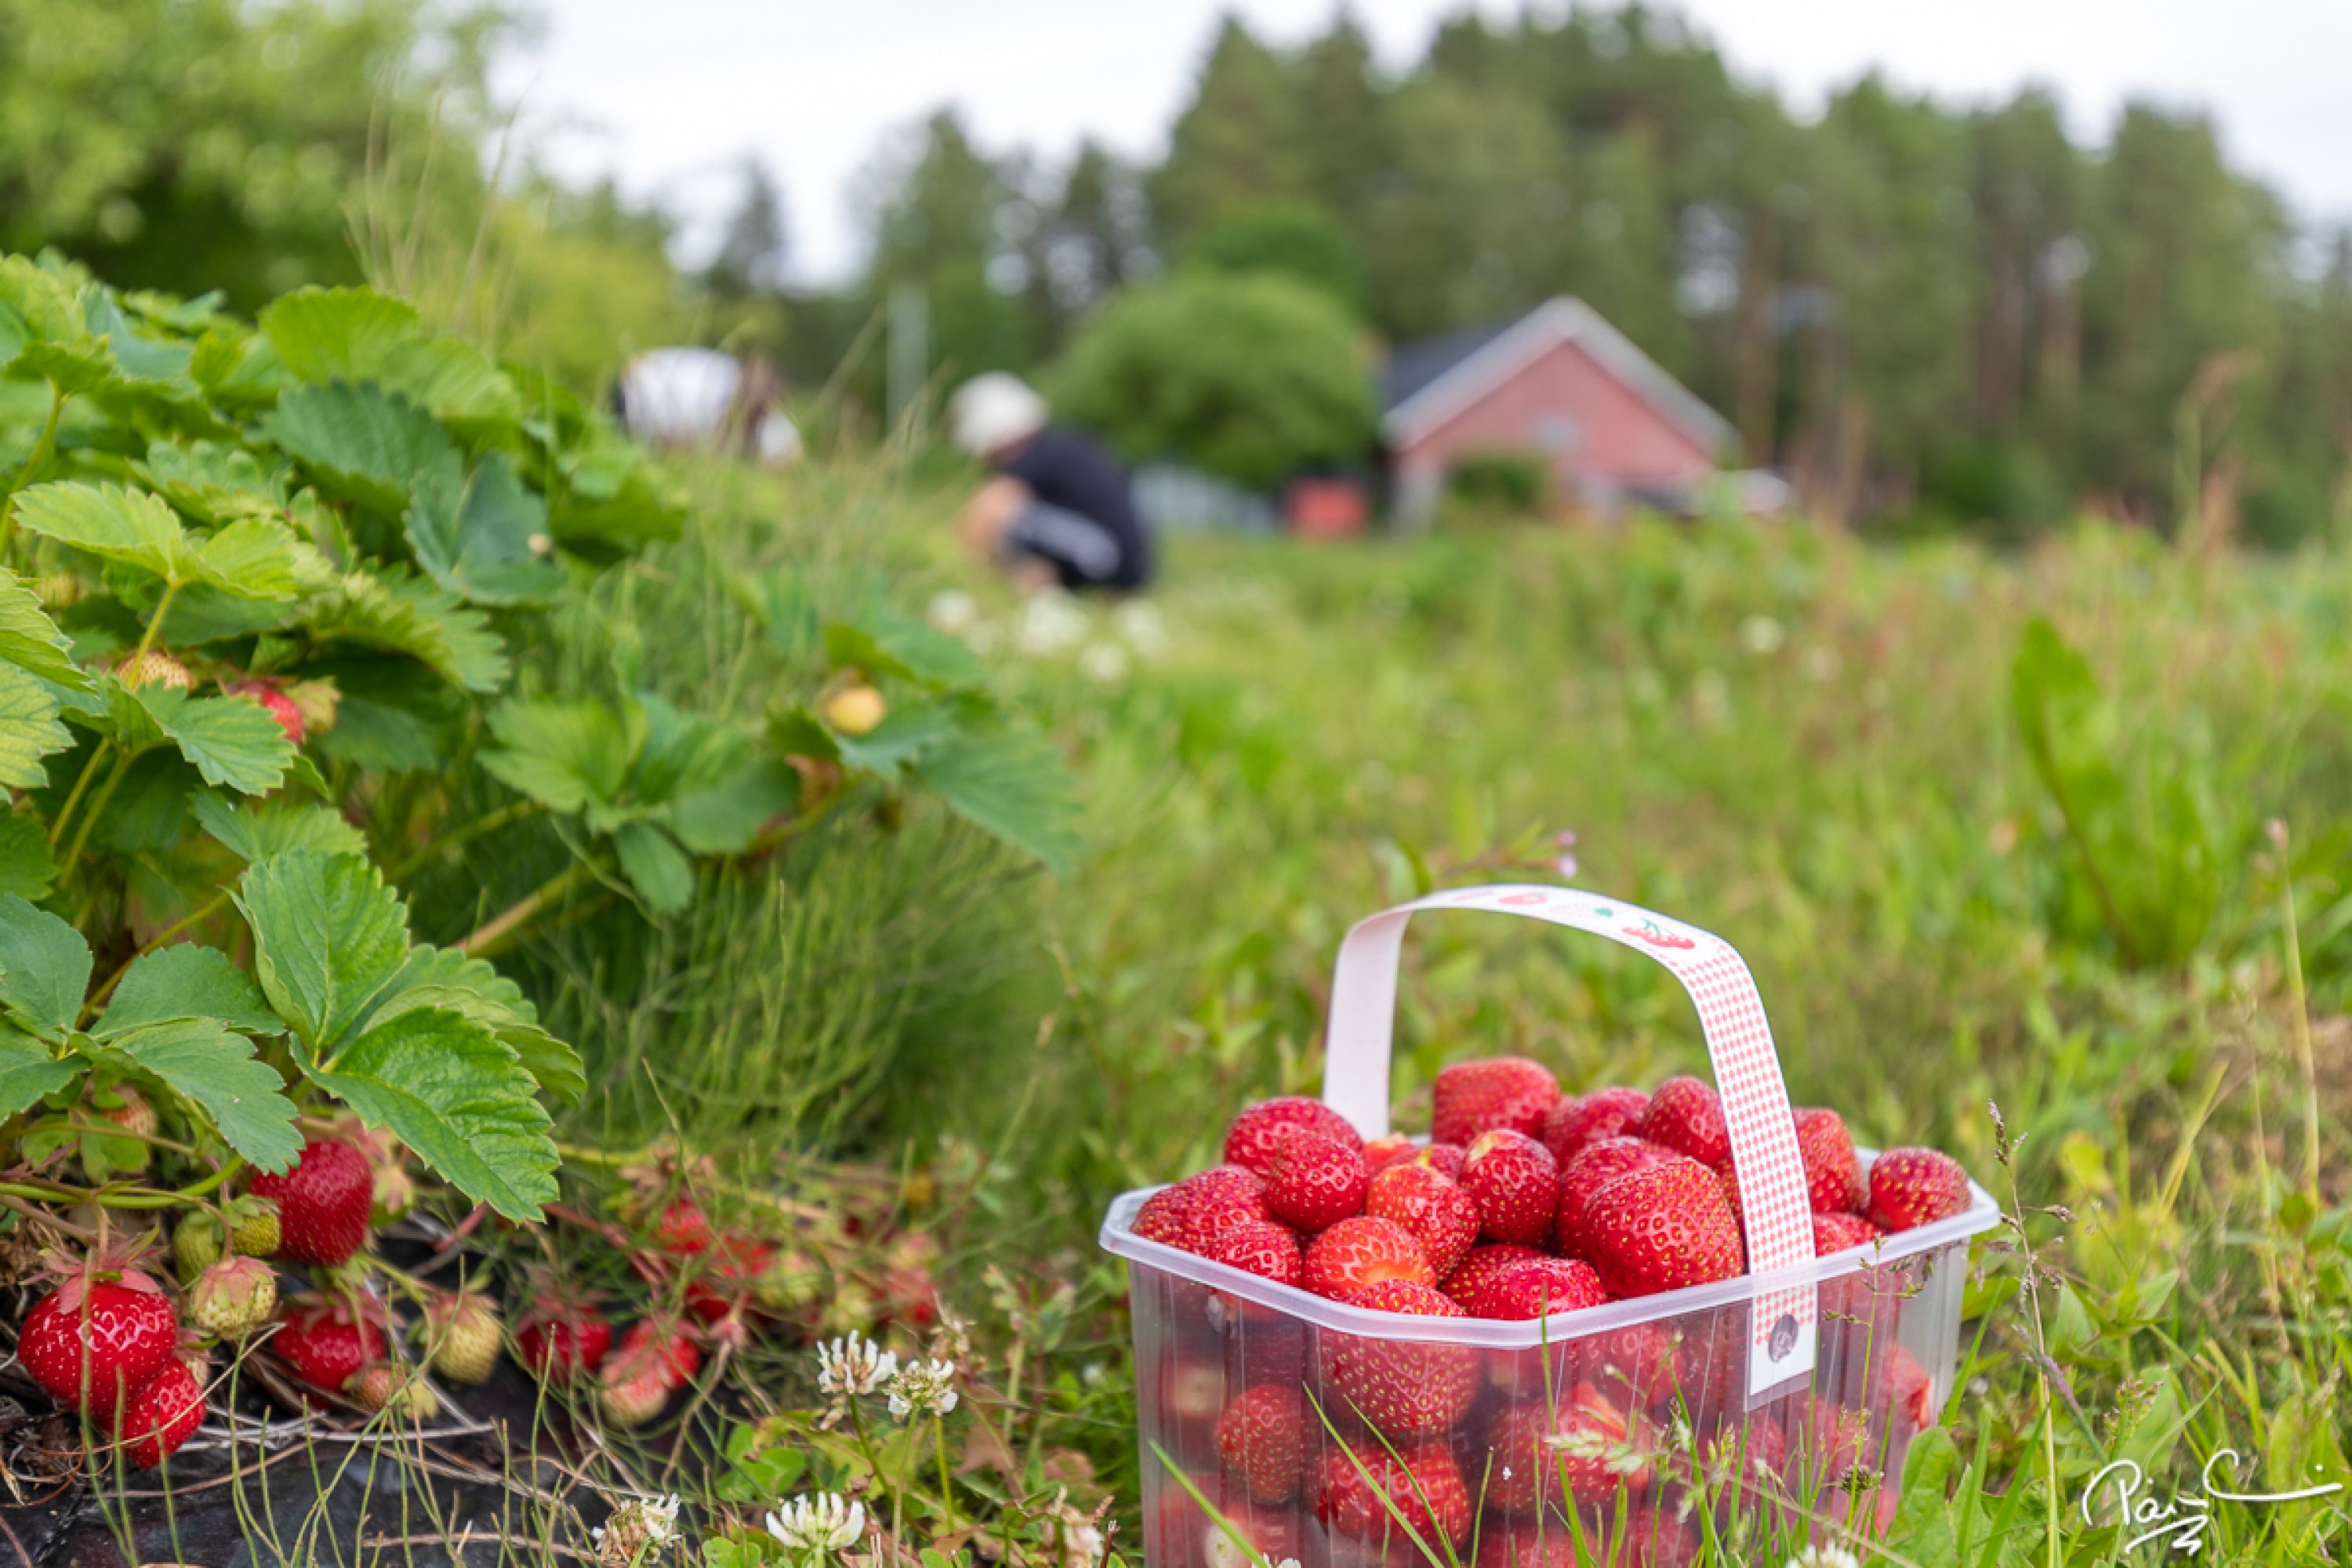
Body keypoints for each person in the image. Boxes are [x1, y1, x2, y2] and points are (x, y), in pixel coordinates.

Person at [949, 374, 1152, 593]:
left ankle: (1016, 583)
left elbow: (987, 512)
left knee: (1015, 520)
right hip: (1124, 562)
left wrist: (963, 568)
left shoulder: (1034, 454)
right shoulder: (1061, 446)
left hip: (1108, 562)